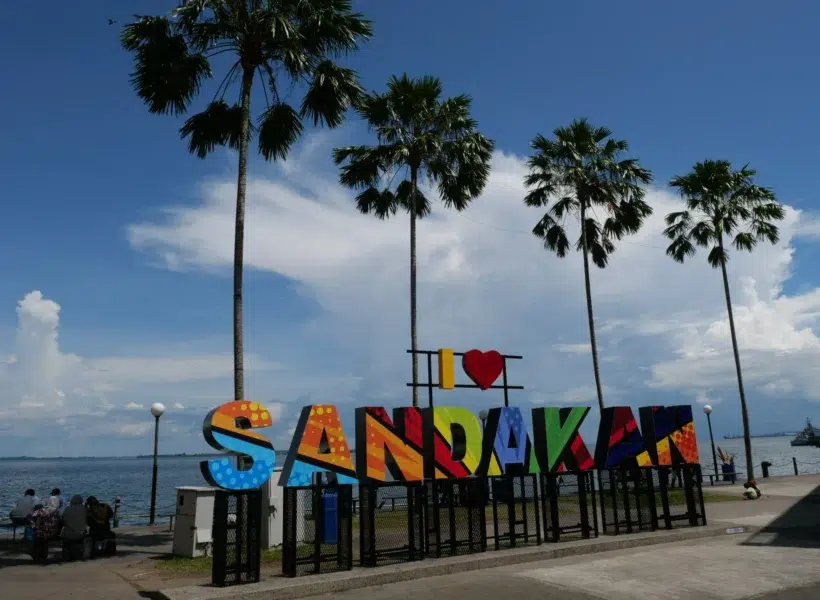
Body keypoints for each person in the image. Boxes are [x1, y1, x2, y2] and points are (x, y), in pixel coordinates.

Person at [60, 495, 88, 561]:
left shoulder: (67, 508)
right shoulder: (84, 509)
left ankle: (67, 553)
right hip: (81, 534)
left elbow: (63, 520)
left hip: (68, 534)